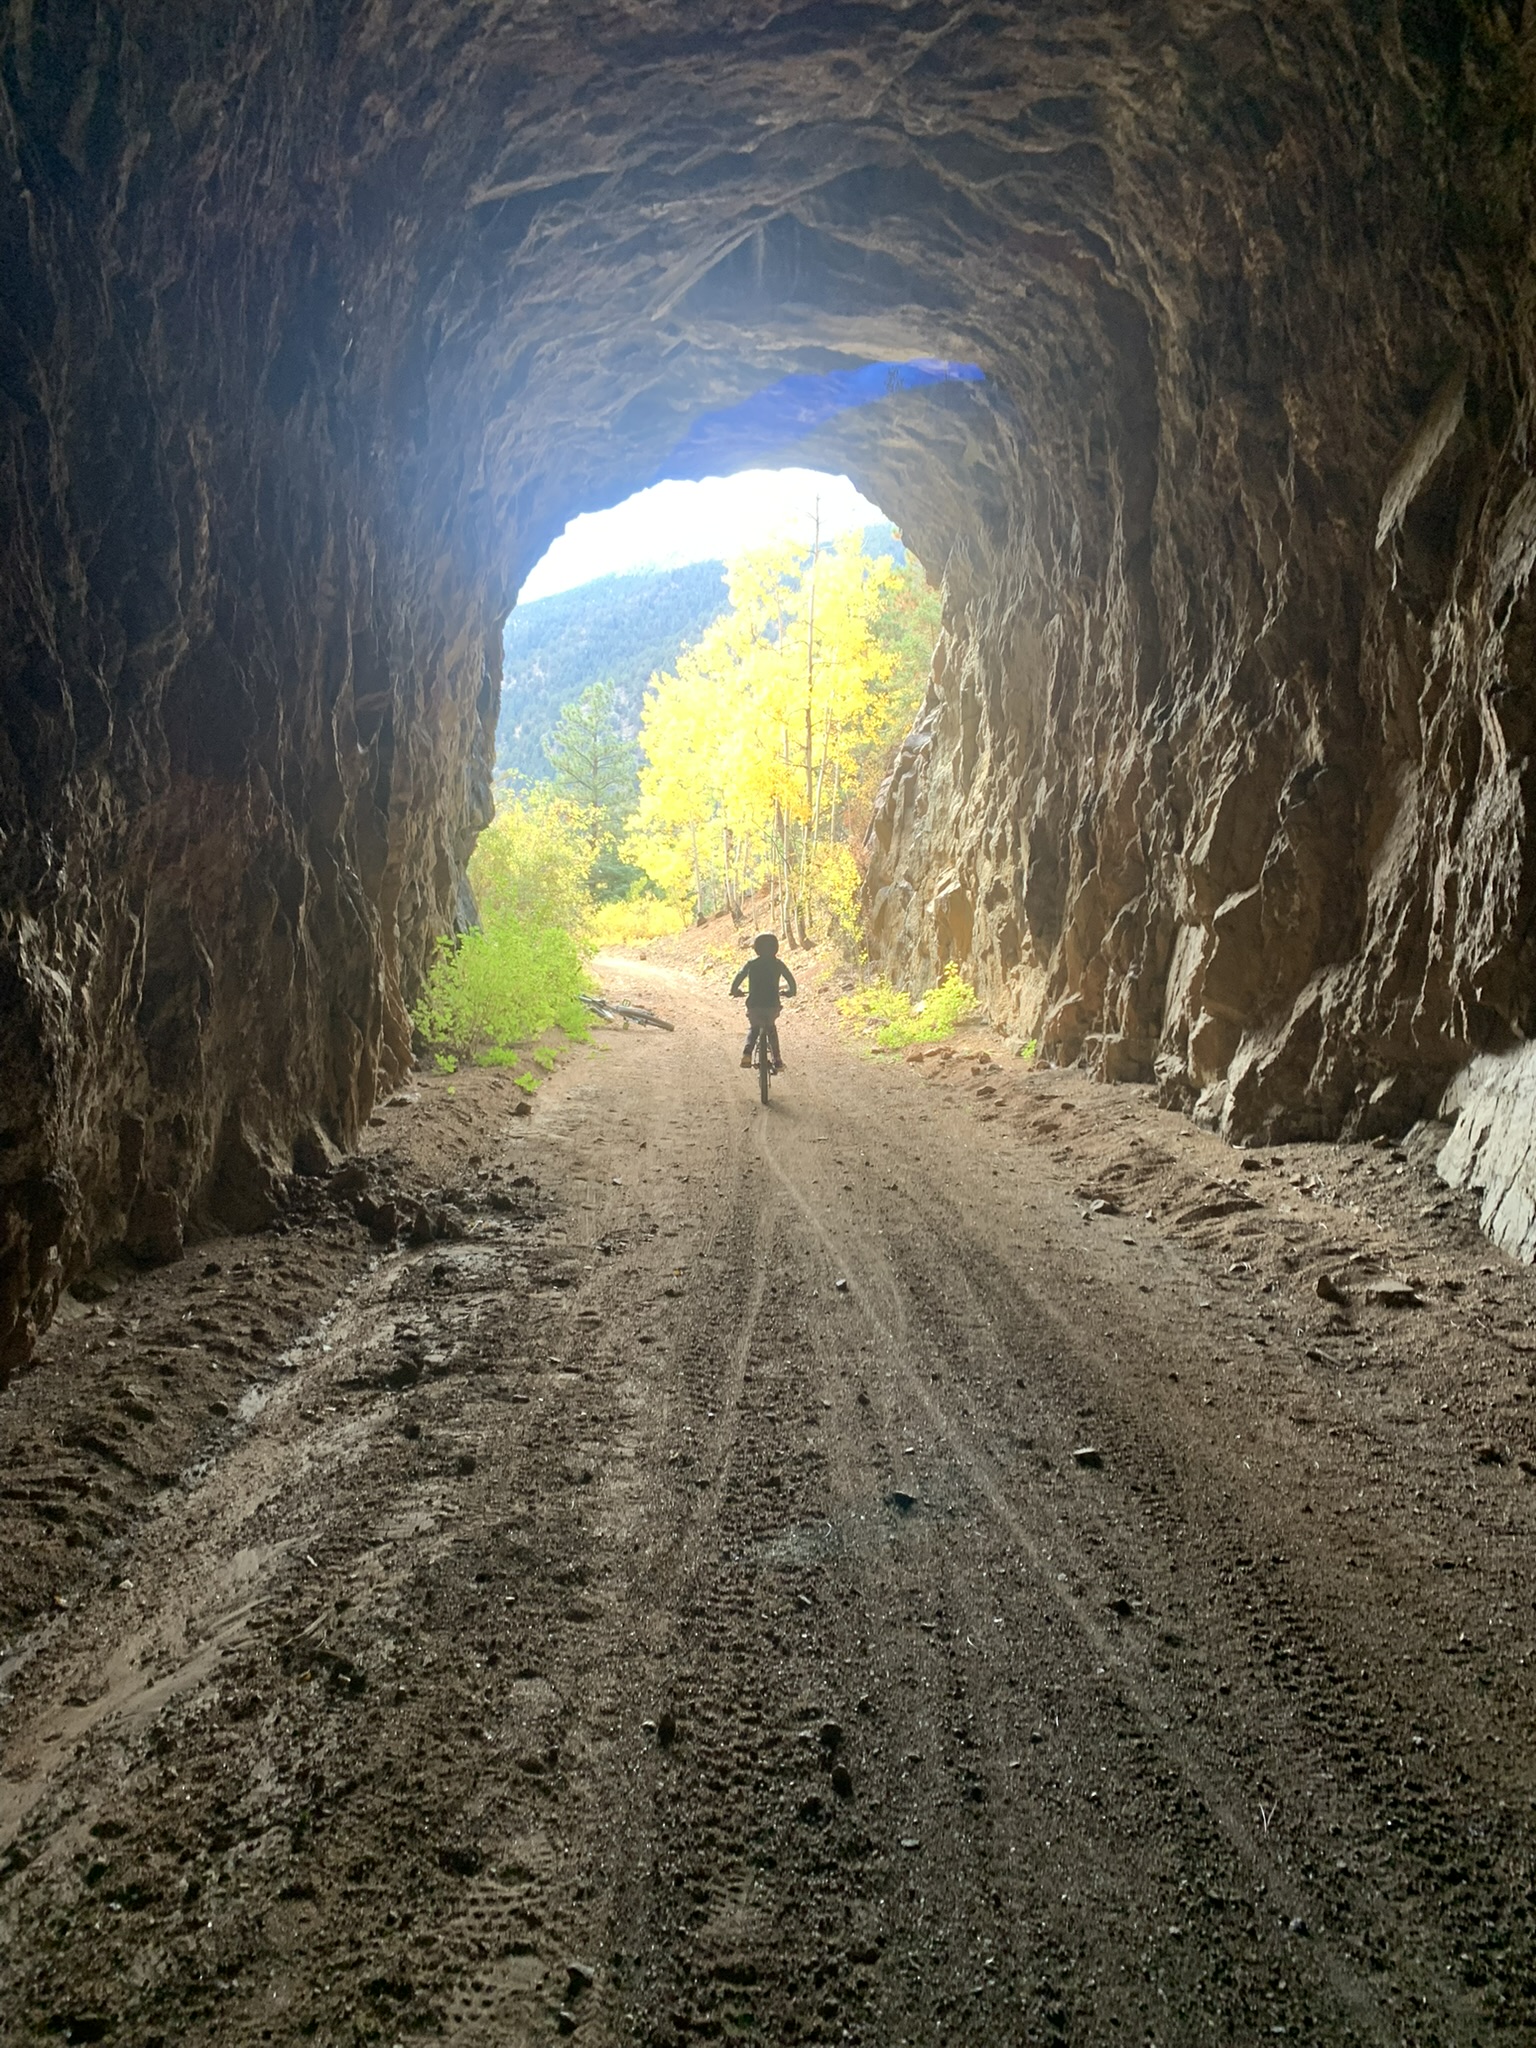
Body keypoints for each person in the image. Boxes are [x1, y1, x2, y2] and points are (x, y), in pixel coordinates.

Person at [731, 932, 796, 1072]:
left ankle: (747, 1054)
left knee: (754, 1028)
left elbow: (739, 977)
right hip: (772, 1005)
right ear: (775, 948)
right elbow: (791, 980)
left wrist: (735, 990)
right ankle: (777, 1060)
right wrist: (791, 992)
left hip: (754, 1005)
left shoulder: (751, 964)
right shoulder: (778, 964)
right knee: (771, 1028)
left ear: (756, 948)